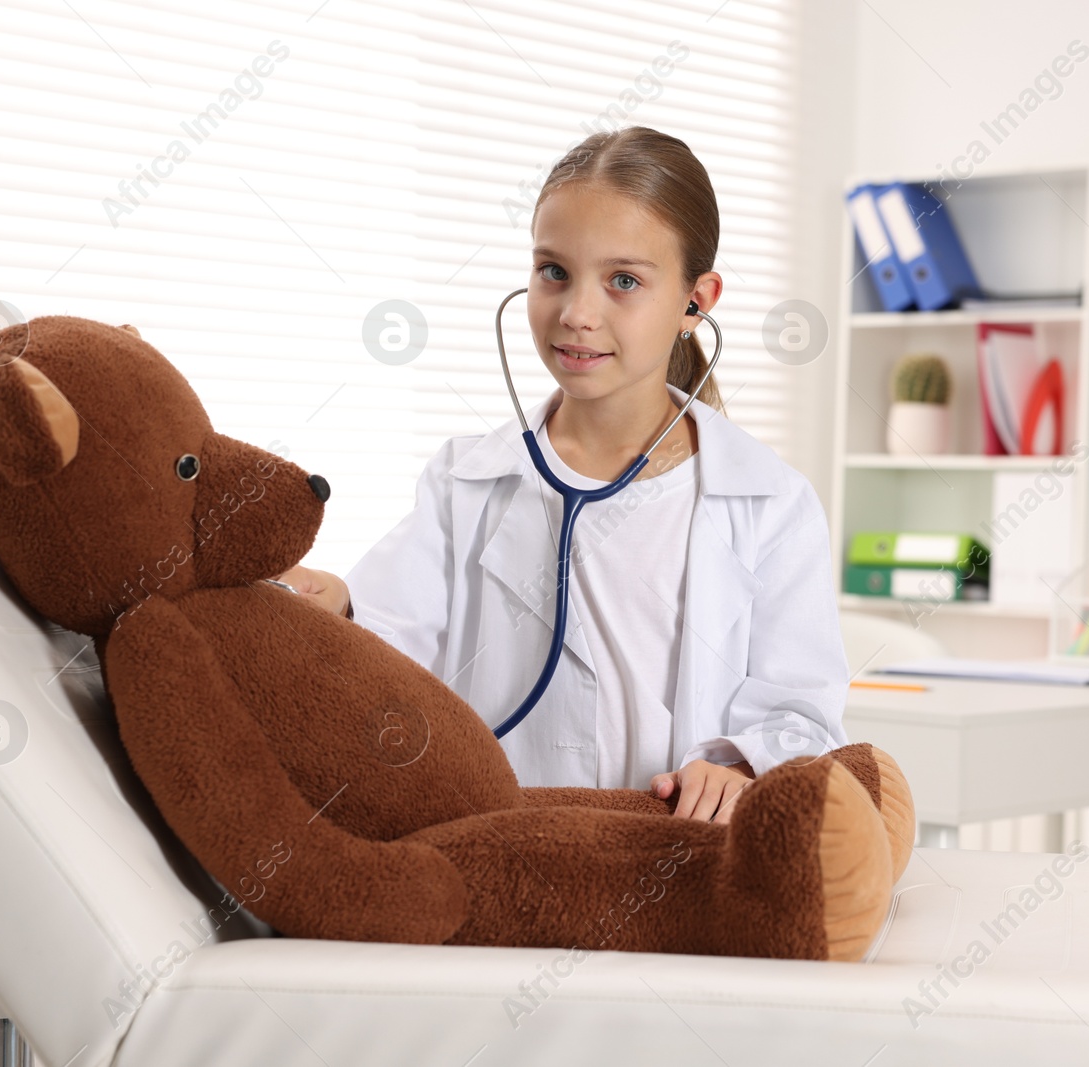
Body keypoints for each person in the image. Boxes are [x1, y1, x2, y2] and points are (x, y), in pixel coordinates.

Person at [276, 126, 851, 824]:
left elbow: (802, 711)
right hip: (508, 845)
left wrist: (740, 763)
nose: (577, 313)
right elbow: (392, 636)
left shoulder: (770, 501)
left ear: (696, 302)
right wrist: (339, 602)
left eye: (624, 281)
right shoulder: (469, 481)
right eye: (554, 271)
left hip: (673, 854)